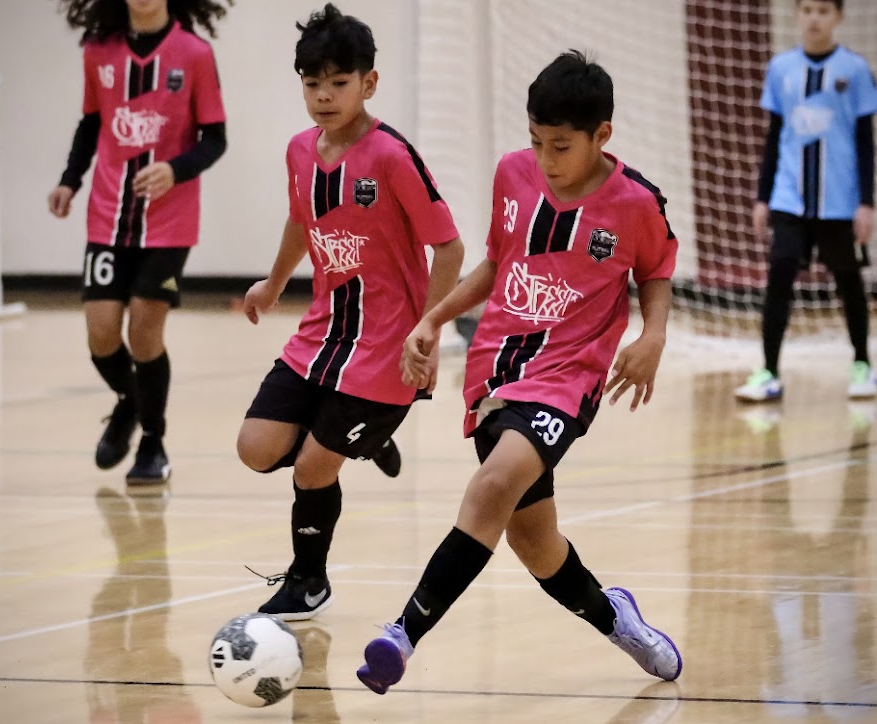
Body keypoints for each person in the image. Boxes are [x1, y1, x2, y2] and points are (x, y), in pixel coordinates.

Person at [356, 50, 683, 694]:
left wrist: (654, 335)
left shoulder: (636, 202)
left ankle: (402, 635)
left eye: (561, 146)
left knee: (491, 485)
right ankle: (616, 619)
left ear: (601, 135)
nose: (545, 159)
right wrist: (434, 318)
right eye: (536, 141)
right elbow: (495, 263)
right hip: (495, 371)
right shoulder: (512, 174)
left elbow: (656, 272)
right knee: (536, 545)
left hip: (568, 377)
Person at [236, 3, 464, 621]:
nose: (324, 95)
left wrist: (429, 329)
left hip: (387, 347)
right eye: (312, 83)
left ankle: (308, 582)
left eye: (339, 82)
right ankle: (361, 441)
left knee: (313, 466)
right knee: (255, 448)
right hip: (323, 334)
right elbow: (300, 218)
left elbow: (449, 247)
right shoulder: (298, 151)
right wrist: (273, 284)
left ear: (369, 83)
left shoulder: (391, 156)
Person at [48, 0, 231, 484]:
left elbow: (215, 139)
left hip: (169, 221)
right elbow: (91, 123)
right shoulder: (98, 51)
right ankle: (131, 401)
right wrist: (69, 180)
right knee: (101, 334)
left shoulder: (194, 53)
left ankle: (152, 441)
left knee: (145, 333)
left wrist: (175, 169)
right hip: (108, 216)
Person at [736, 0, 877, 402]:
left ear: (838, 17)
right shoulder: (781, 68)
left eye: (823, 10)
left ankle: (862, 364)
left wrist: (866, 202)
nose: (814, 18)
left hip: (839, 202)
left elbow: (865, 141)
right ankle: (769, 372)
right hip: (788, 199)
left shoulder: (855, 70)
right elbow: (774, 136)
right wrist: (763, 197)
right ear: (797, 13)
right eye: (808, 9)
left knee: (849, 282)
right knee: (779, 279)